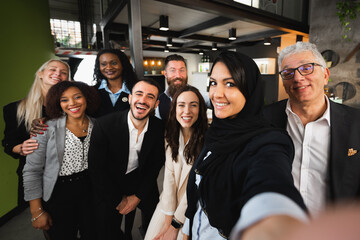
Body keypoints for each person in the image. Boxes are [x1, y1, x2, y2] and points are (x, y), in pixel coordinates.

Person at [183, 51, 308, 240]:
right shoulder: (216, 132)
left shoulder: (267, 141)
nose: (217, 94)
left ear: (249, 89)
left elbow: (270, 182)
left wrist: (274, 220)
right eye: (213, 83)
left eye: (230, 84)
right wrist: (187, 229)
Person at [263, 42, 360, 215]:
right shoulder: (263, 120)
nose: (298, 78)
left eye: (307, 68)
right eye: (288, 72)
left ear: (325, 75)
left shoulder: (356, 124)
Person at [88, 79, 166, 240]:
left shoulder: (159, 128)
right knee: (106, 228)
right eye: (139, 94)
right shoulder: (105, 125)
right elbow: (97, 169)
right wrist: (119, 200)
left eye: (150, 97)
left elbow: (155, 166)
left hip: (141, 180)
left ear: (156, 104)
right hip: (109, 182)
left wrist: (137, 196)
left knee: (157, 221)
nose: (143, 100)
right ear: (130, 98)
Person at [23, 81, 99, 240]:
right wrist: (36, 212)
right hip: (59, 193)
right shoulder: (44, 128)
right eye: (64, 100)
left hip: (91, 190)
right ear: (58, 103)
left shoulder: (97, 125)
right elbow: (32, 171)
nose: (72, 103)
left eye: (77, 97)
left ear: (86, 98)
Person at [2, 59, 70, 211]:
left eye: (63, 72)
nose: (58, 74)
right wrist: (20, 148)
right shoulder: (15, 109)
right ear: (40, 74)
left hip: (70, 176)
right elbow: (8, 143)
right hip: (38, 177)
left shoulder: (71, 108)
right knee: (49, 225)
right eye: (52, 69)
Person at [145, 85, 208, 240]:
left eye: (193, 105)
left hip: (191, 209)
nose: (187, 111)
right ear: (174, 109)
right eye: (181, 105)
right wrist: (167, 220)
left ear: (200, 110)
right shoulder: (170, 135)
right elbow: (169, 178)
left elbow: (195, 188)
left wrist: (175, 224)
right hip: (168, 204)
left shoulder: (208, 141)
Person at [93, 48, 138, 117]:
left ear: (123, 64)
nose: (109, 67)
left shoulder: (136, 90)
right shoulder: (93, 92)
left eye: (114, 63)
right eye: (103, 64)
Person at [155, 54, 188, 121]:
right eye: (173, 70)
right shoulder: (159, 102)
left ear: (186, 72)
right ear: (166, 74)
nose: (178, 75)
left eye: (181, 70)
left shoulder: (199, 95)